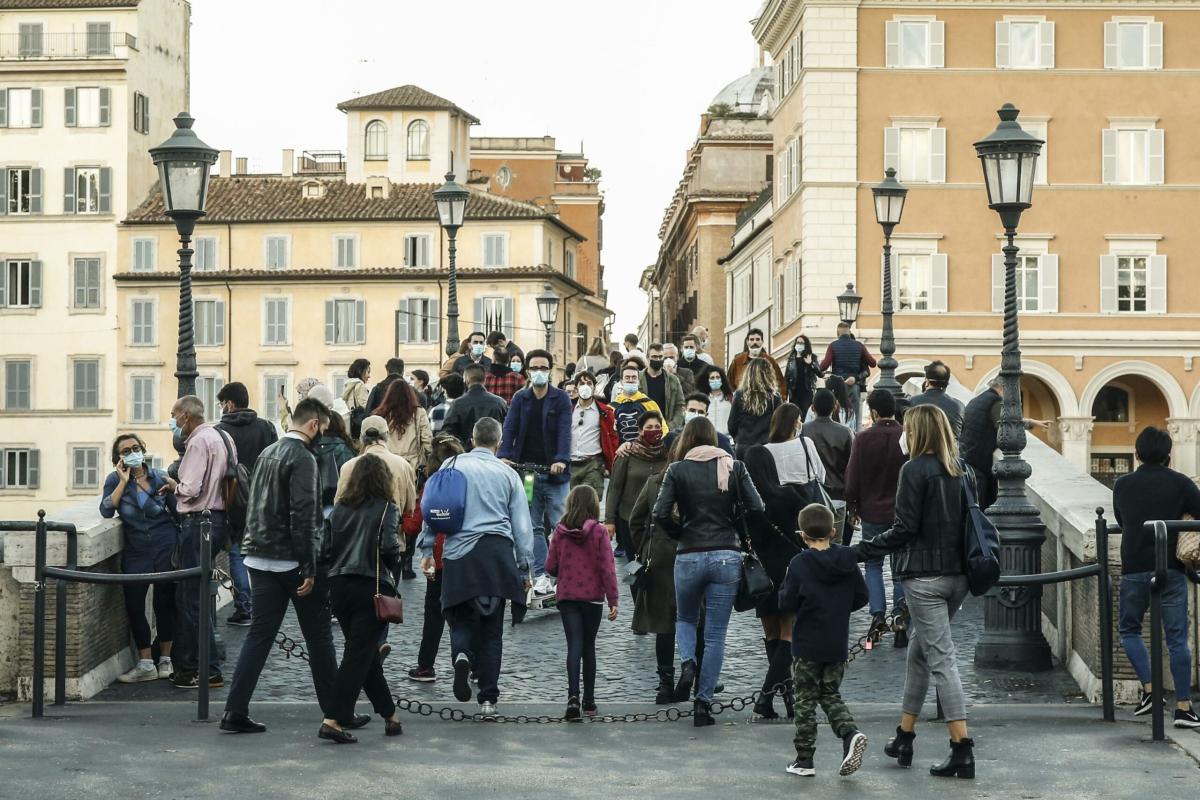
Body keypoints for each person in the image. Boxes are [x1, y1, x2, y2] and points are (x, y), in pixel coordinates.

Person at [853, 404, 977, 780]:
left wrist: (859, 551)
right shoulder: (963, 470)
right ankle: (904, 735)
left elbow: (904, 528)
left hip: (923, 579)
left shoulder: (913, 470)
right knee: (919, 654)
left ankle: (962, 748)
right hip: (958, 577)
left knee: (941, 659)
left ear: (917, 433)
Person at [220, 399, 339, 735]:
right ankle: (335, 712)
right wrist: (310, 565)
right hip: (290, 559)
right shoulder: (303, 458)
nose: (323, 436)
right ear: (314, 424)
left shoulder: (268, 452)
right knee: (318, 637)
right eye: (324, 429)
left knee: (259, 636)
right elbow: (303, 515)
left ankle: (234, 709)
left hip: (257, 555)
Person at [417, 417, 534, 718]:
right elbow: (522, 527)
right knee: (493, 631)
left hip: (459, 554)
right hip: (497, 555)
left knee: (458, 616)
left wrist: (428, 548)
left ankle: (461, 655)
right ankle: (488, 700)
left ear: (471, 438)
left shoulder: (452, 466)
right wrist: (525, 569)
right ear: (498, 442)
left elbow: (433, 507)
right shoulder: (508, 474)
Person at [653, 416, 765, 726]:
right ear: (714, 440)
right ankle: (703, 704)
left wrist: (679, 533)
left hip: (689, 552)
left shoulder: (677, 470)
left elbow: (659, 512)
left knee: (686, 618)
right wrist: (736, 523)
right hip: (726, 555)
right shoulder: (733, 467)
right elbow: (757, 507)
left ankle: (688, 661)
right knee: (716, 635)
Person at [1112, 426, 1200, 729]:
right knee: (1177, 639)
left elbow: (1121, 520)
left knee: (1129, 629)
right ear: (1168, 455)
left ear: (1136, 454)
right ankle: (1184, 708)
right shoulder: (1180, 483)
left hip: (1134, 568)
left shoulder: (1122, 484)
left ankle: (1150, 691)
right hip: (1171, 569)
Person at [743, 403, 824, 720]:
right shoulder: (790, 496)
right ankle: (768, 698)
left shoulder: (748, 505)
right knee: (789, 634)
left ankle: (785, 697)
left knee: (772, 634)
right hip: (789, 567)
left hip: (760, 572)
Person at [778, 503, 869, 778]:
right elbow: (862, 596)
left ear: (802, 535)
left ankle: (804, 760)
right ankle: (849, 733)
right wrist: (839, 608)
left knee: (805, 700)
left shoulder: (799, 563)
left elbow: (786, 601)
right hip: (836, 641)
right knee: (830, 694)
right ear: (833, 531)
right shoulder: (847, 559)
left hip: (807, 642)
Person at [319, 454, 405, 742]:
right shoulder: (386, 509)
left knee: (364, 654)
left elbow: (324, 552)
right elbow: (390, 547)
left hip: (339, 587)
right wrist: (396, 566)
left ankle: (390, 715)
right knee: (357, 656)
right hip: (371, 586)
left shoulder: (339, 510)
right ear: (384, 480)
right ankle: (332, 719)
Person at [101, 433, 178, 683]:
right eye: (125, 451)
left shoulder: (159, 477)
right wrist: (124, 482)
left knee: (165, 603)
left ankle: (166, 660)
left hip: (165, 544)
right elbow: (106, 510)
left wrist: (177, 488)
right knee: (134, 605)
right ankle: (146, 663)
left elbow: (177, 509)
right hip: (136, 550)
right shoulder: (114, 480)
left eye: (135, 448)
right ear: (118, 458)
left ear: (143, 450)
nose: (132, 453)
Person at [168, 395, 231, 689]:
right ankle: (197, 665)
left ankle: (203, 668)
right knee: (198, 596)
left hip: (198, 523)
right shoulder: (221, 436)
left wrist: (174, 487)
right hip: (218, 521)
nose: (173, 422)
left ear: (187, 417)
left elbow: (191, 488)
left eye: (174, 416)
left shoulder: (196, 442)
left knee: (191, 599)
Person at [498, 349, 573, 594]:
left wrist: (561, 459)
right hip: (528, 473)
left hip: (555, 475)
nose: (539, 372)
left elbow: (564, 431)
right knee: (532, 526)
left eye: (543, 368)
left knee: (562, 525)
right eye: (534, 368)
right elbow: (509, 428)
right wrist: (504, 456)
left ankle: (565, 572)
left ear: (550, 370)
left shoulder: (560, 398)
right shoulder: (520, 398)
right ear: (528, 371)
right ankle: (541, 574)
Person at [546, 485, 619, 720]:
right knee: (589, 648)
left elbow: (550, 567)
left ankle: (572, 698)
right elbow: (607, 567)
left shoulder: (560, 531)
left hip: (568, 596)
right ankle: (589, 701)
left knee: (573, 646)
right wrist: (613, 599)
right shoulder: (599, 532)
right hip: (592, 598)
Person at [844, 389, 909, 644]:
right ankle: (901, 612)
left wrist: (853, 506)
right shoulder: (906, 436)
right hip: (902, 513)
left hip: (871, 511)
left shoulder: (862, 439)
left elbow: (852, 478)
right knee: (900, 565)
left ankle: (878, 614)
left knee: (872, 563)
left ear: (872, 411)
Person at [215, 381, 279, 626]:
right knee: (263, 555)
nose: (222, 408)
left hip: (234, 500)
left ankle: (245, 607)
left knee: (237, 554)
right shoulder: (266, 427)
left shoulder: (220, 431)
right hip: (263, 499)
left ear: (229, 404)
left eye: (222, 404)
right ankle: (265, 605)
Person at [406, 435, 466, 683]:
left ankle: (426, 665)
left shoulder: (432, 483)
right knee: (464, 612)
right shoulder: (467, 481)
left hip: (438, 558)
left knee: (433, 613)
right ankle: (467, 659)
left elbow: (414, 523)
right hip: (465, 554)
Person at [628, 444, 682, 703]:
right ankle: (694, 677)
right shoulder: (697, 480)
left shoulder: (654, 482)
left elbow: (635, 521)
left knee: (664, 625)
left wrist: (646, 547)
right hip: (689, 552)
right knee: (696, 621)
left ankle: (665, 684)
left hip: (659, 556)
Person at [335, 416, 418, 579]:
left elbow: (338, 504)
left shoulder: (348, 467)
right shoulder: (403, 465)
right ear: (386, 435)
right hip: (392, 543)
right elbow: (410, 507)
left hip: (354, 546)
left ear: (361, 438)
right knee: (386, 600)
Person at [958, 378, 1050, 509]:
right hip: (979, 462)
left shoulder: (977, 400)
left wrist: (1032, 421)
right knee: (981, 508)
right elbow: (1006, 426)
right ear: (1003, 388)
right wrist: (1030, 423)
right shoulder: (995, 402)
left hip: (967, 457)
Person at [605, 411, 670, 594]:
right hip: (629, 520)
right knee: (635, 563)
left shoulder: (667, 453)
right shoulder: (627, 453)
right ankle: (638, 605)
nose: (653, 431)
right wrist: (610, 520)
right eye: (649, 427)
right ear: (640, 431)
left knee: (658, 564)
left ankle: (655, 604)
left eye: (657, 427)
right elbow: (615, 488)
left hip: (659, 520)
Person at [804, 389, 855, 546]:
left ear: (813, 408)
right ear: (835, 407)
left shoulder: (802, 430)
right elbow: (852, 469)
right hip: (837, 496)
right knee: (835, 545)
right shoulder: (845, 432)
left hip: (810, 495)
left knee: (811, 544)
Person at [569, 371, 618, 497]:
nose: (585, 386)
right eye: (581, 383)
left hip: (593, 464)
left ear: (594, 387)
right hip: (570, 464)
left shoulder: (605, 412)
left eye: (589, 383)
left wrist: (609, 465)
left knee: (591, 503)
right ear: (576, 388)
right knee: (570, 505)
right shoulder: (568, 410)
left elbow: (612, 439)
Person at [820, 322, 876, 432]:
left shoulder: (833, 346)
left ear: (837, 333)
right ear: (849, 332)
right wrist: (856, 376)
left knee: (836, 415)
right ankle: (853, 438)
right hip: (854, 386)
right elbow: (873, 363)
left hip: (837, 387)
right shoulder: (859, 346)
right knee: (854, 417)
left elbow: (824, 365)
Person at [728, 357, 783, 461]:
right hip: (766, 446)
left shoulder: (739, 395)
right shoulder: (774, 397)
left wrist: (739, 437)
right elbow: (779, 425)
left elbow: (732, 425)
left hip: (744, 445)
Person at [375, 378, 433, 473]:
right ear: (410, 395)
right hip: (413, 464)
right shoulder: (419, 412)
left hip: (388, 464)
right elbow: (427, 439)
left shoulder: (382, 414)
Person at [442, 364, 507, 449]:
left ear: (466, 380)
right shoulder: (500, 403)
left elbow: (447, 432)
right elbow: (508, 430)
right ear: (485, 379)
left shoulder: (457, 404)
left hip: (465, 455)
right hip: (494, 454)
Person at [610, 361, 666, 445]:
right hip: (620, 452)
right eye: (627, 377)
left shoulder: (649, 404)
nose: (631, 380)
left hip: (646, 451)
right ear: (621, 381)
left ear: (638, 381)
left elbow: (663, 428)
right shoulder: (611, 407)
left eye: (634, 377)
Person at [727, 328, 787, 402]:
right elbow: (729, 383)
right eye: (752, 339)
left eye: (758, 339)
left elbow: (780, 382)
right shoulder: (737, 361)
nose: (754, 342)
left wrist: (781, 400)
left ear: (762, 342)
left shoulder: (770, 361)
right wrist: (732, 401)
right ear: (747, 342)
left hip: (765, 404)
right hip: (743, 403)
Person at [664, 393, 733, 456]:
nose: (696, 415)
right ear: (684, 411)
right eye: (692, 410)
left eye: (701, 412)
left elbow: (732, 465)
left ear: (706, 415)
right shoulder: (672, 437)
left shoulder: (720, 439)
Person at [909, 361, 964, 439]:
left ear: (927, 382)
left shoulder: (912, 402)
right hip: (949, 450)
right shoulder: (959, 406)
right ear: (947, 383)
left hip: (920, 449)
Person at [640, 343, 684, 430]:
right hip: (644, 429)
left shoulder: (673, 380)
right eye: (654, 357)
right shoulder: (638, 379)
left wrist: (671, 426)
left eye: (660, 357)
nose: (658, 359)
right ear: (647, 358)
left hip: (667, 428)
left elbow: (680, 405)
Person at [784, 335, 823, 419]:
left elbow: (820, 373)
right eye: (798, 342)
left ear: (806, 345)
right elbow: (786, 378)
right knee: (795, 415)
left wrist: (810, 364)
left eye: (802, 343)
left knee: (805, 415)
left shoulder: (811, 357)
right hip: (794, 393)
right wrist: (785, 394)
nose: (799, 345)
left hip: (807, 392)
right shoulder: (791, 359)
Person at [702, 365, 734, 437]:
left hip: (727, 437)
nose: (715, 380)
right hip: (707, 437)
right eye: (712, 378)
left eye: (718, 377)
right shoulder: (703, 398)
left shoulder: (730, 398)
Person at [342, 359, 373, 432]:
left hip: (352, 423)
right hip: (362, 424)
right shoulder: (360, 386)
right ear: (361, 371)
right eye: (368, 372)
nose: (369, 376)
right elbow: (366, 406)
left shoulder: (349, 386)